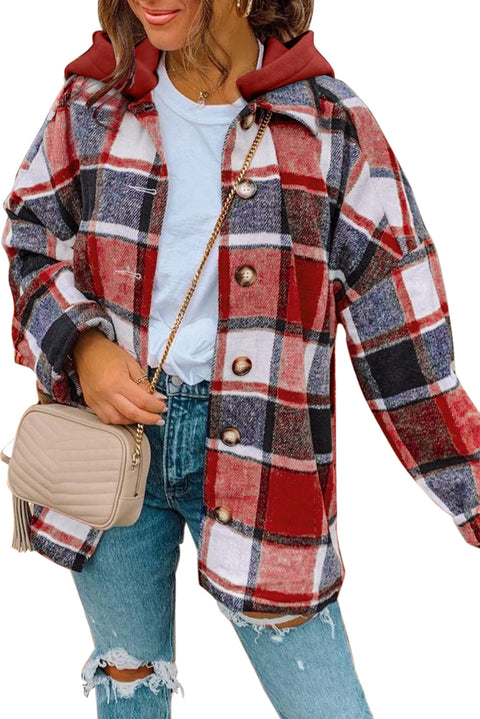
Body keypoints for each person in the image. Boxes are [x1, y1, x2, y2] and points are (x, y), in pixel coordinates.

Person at [3, 0, 480, 717]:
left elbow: (404, 342)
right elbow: (33, 232)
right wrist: (85, 344)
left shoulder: (328, 128)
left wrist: (472, 491)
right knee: (128, 687)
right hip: (110, 448)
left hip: (263, 463)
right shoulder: (94, 101)